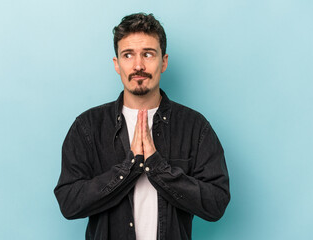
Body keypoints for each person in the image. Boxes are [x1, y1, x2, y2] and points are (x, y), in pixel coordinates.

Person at [54, 13, 230, 240]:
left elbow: (216, 203)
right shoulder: (87, 127)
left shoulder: (194, 127)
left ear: (163, 62)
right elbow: (69, 202)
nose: (138, 65)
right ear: (117, 64)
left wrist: (157, 167)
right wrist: (129, 167)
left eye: (148, 54)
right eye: (128, 55)